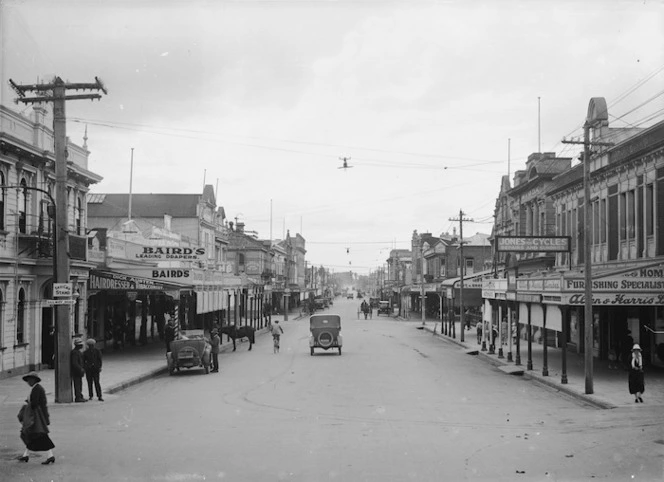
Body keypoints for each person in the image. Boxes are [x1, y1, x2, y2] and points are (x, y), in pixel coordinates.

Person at [18, 371, 55, 464]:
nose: (28, 382)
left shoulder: (36, 389)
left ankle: (50, 456)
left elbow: (34, 403)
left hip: (37, 416)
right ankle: (26, 455)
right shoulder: (36, 388)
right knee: (33, 435)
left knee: (38, 435)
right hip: (38, 416)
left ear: (34, 380)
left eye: (29, 380)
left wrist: (27, 407)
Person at [70, 338, 86, 403]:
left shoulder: (78, 352)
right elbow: (74, 363)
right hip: (76, 372)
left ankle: (80, 395)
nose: (82, 346)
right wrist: (80, 368)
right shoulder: (75, 353)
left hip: (79, 372)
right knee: (77, 384)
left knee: (79, 384)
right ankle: (78, 397)